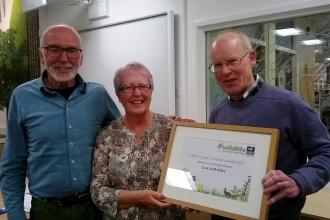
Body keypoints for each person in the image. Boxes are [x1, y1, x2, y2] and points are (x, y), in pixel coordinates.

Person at [0, 24, 120, 220]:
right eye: (54, 49)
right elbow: (13, 165)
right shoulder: (22, 97)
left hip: (92, 208)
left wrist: (169, 127)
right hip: (47, 211)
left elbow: (127, 135)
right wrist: (15, 215)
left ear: (80, 58)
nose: (64, 58)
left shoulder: (98, 95)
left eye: (72, 50)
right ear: (42, 56)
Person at [208, 31, 330, 220]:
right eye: (217, 65)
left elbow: (326, 152)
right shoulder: (218, 113)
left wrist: (298, 181)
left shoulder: (289, 104)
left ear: (252, 58)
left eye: (232, 61)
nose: (224, 71)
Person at [90, 62, 185, 220]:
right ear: (118, 95)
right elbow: (98, 192)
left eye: (143, 86)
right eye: (127, 87)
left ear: (151, 90)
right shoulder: (106, 136)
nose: (137, 93)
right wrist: (138, 197)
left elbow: (187, 177)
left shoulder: (173, 130)